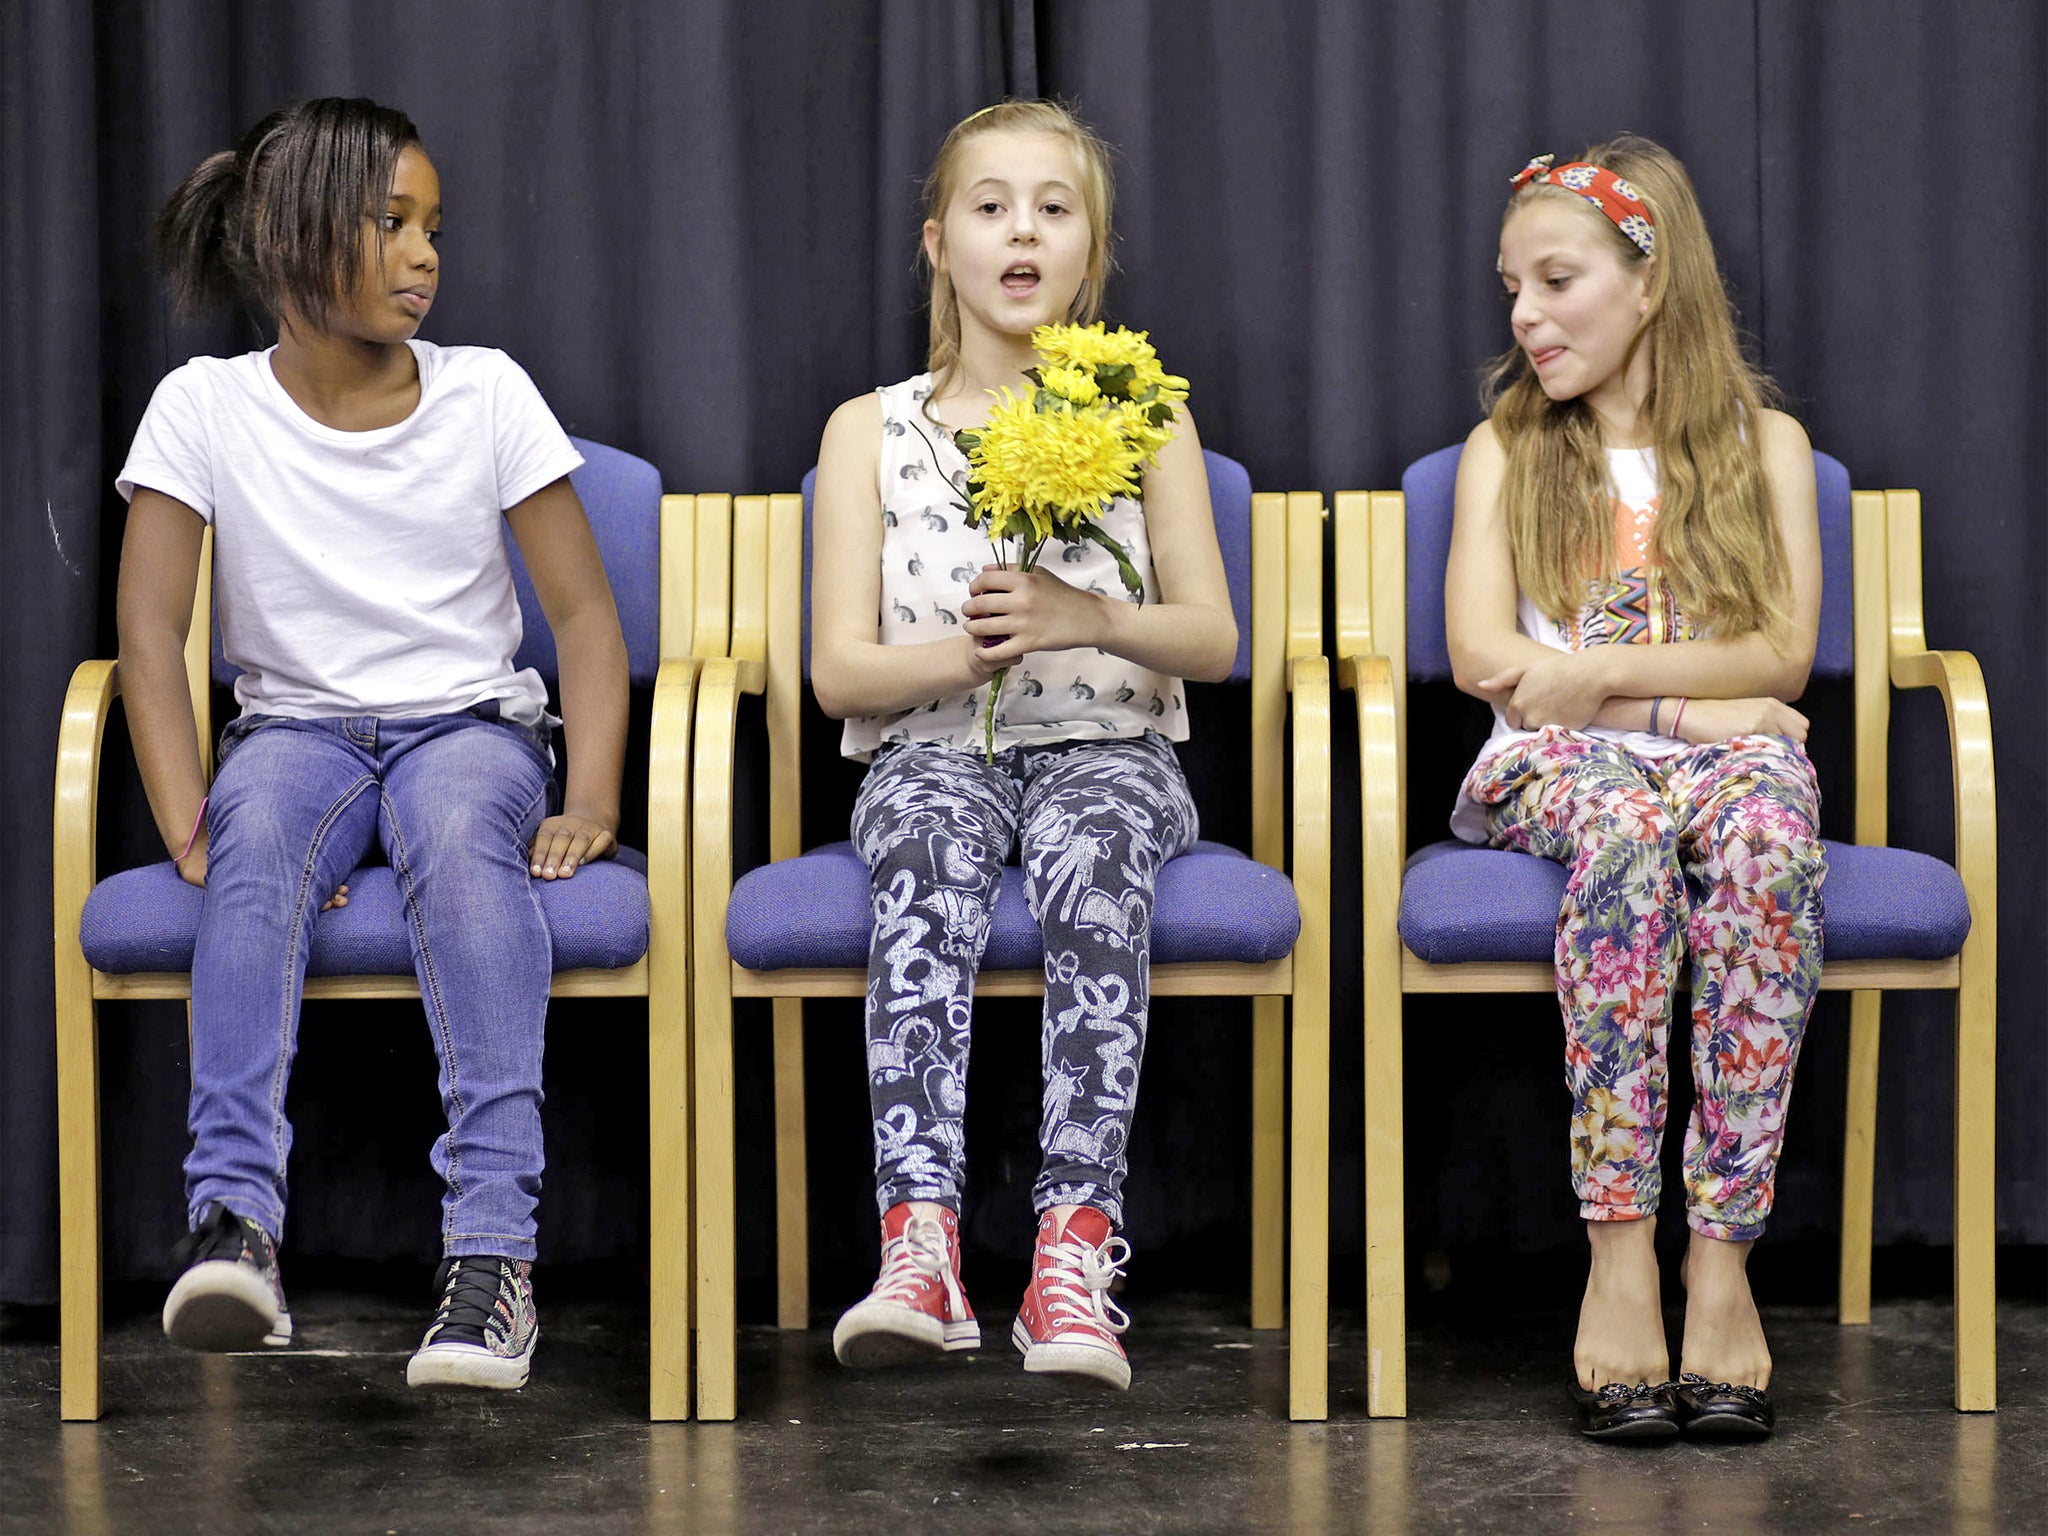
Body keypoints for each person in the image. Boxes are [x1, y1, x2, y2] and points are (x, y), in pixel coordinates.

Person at [115, 97, 628, 1391]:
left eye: (432, 228)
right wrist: (190, 813)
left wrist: (598, 798)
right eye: (391, 223)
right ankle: (233, 1220)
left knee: (464, 849)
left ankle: (490, 1262)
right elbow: (151, 627)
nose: (423, 255)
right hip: (294, 731)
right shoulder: (204, 408)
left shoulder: (486, 391)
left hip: (469, 725)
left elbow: (583, 618)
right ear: (293, 237)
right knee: (254, 843)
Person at [808, 101, 1237, 1391]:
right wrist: (983, 650)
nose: (1022, 232)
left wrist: (1086, 617)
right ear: (939, 243)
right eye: (991, 207)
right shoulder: (865, 431)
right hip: (931, 752)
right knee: (928, 858)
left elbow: (1212, 640)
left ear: (1088, 254)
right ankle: (920, 1243)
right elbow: (842, 672)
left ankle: (1073, 1245)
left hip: (1109, 749)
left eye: (1055, 210)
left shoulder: (1146, 419)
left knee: (1093, 859)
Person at [1444, 135, 1825, 1440]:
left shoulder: (1762, 445)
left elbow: (1781, 655)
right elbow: (1488, 661)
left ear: (1649, 278)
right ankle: (1619, 1253)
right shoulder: (1507, 449)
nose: (1525, 314)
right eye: (1513, 287)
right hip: (1560, 775)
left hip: (1730, 766)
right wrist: (1680, 704)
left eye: (1556, 280)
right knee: (1624, 847)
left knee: (1771, 850)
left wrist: (1609, 679)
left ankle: (1720, 1264)